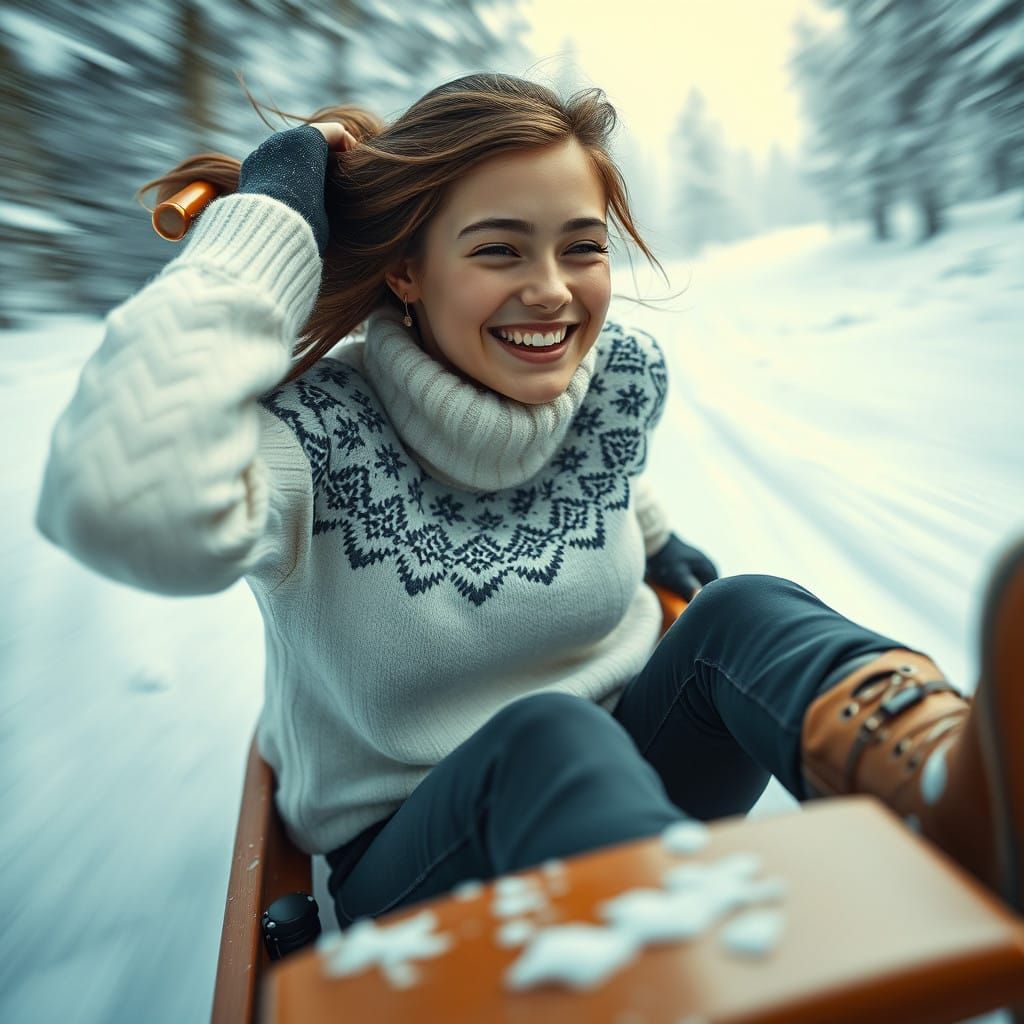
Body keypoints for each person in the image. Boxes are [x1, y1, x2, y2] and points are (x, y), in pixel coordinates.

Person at [35, 72, 1024, 932]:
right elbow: (121, 497)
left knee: (745, 608)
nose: (552, 292)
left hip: (631, 788)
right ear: (405, 271)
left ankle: (951, 797)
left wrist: (656, 537)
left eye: (580, 247)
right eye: (501, 250)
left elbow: (587, 467)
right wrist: (269, 226)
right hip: (430, 859)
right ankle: (683, 968)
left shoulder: (609, 380)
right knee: (549, 731)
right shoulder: (311, 442)